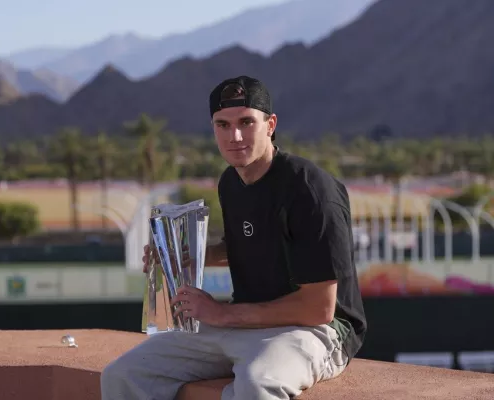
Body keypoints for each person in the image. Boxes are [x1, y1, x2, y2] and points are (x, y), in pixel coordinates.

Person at [100, 75, 367, 400]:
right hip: (243, 321)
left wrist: (222, 314)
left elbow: (319, 308)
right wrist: (189, 255)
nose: (234, 136)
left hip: (316, 331)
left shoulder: (310, 190)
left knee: (257, 386)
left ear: (270, 124)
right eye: (222, 124)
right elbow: (246, 244)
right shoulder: (231, 182)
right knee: (124, 375)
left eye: (246, 122)